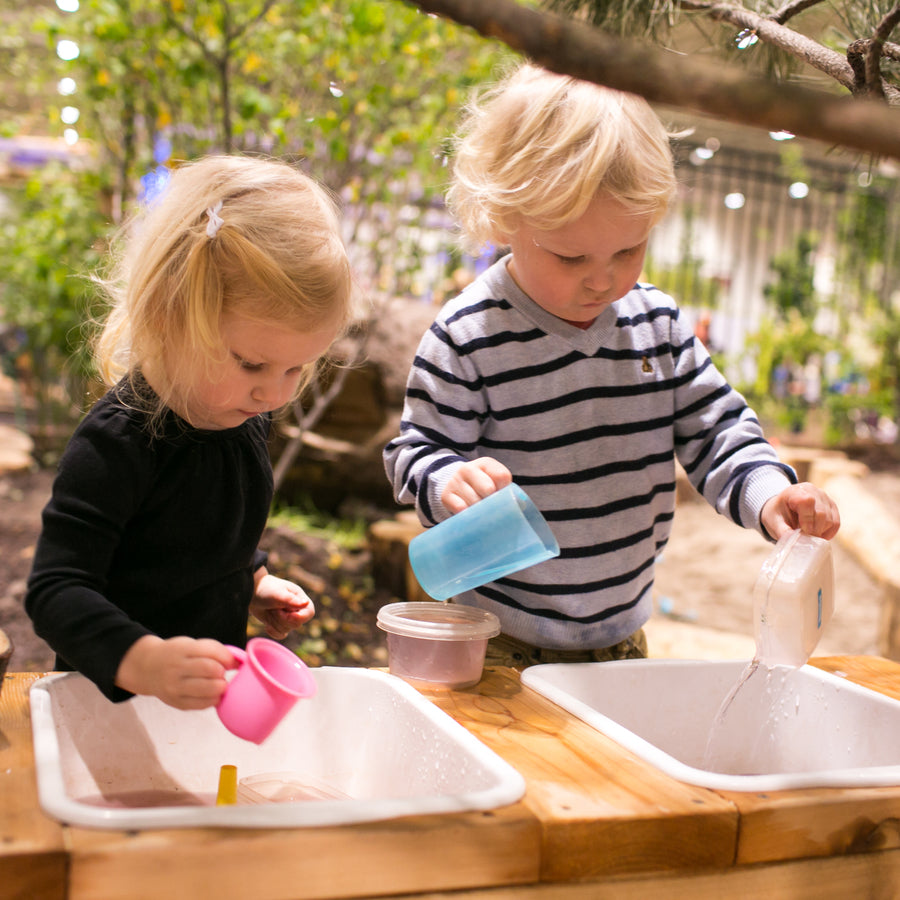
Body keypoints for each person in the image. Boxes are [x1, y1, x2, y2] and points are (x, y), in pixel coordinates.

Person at [383, 63, 840, 669]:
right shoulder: (468, 335)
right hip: (497, 637)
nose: (603, 278)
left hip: (623, 636)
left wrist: (769, 493)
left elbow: (717, 433)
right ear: (504, 218)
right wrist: (445, 481)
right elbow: (414, 452)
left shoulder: (658, 325)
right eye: (571, 256)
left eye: (629, 249)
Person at [26, 155, 355, 709]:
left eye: (296, 368)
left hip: (205, 707)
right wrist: (141, 660)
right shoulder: (116, 444)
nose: (273, 394)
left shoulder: (240, 416)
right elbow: (56, 591)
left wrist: (251, 581)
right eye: (252, 364)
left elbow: (200, 540)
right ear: (167, 316)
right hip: (109, 708)